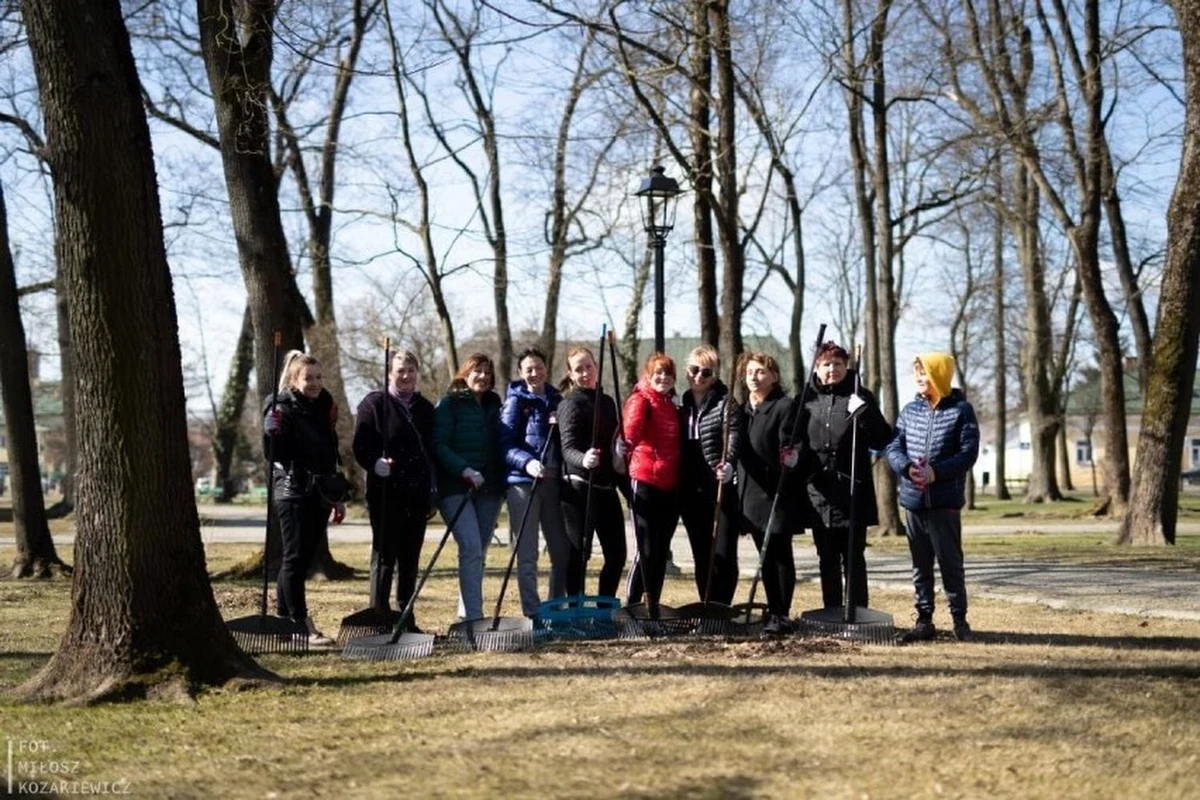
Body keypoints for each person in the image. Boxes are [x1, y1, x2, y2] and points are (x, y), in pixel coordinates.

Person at [886, 352, 980, 643]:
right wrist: (905, 467)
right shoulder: (908, 411)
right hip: (913, 501)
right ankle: (924, 621)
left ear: (940, 375)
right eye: (916, 374)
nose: (919, 379)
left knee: (950, 564)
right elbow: (894, 446)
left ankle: (959, 620)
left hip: (944, 502)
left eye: (925, 373)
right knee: (920, 566)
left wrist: (935, 473)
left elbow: (968, 453)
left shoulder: (961, 410)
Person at [263, 350, 347, 646]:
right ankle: (301, 623)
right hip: (292, 489)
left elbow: (328, 455)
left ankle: (286, 620)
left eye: (318, 377)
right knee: (295, 558)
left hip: (320, 491)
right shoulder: (280, 406)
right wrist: (270, 432)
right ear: (294, 379)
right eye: (308, 378)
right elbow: (274, 452)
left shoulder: (323, 406)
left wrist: (337, 497)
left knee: (303, 558)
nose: (314, 383)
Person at [800, 342, 891, 610]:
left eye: (838, 364)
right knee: (826, 557)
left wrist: (864, 413)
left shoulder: (861, 396)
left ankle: (856, 612)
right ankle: (831, 611)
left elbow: (882, 437)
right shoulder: (806, 400)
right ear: (817, 367)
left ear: (846, 366)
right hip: (820, 493)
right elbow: (795, 440)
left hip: (853, 492)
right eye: (826, 364)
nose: (832, 370)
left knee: (852, 557)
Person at [352, 348, 436, 633]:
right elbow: (360, 445)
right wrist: (375, 463)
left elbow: (432, 452)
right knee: (385, 556)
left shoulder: (425, 409)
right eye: (400, 370)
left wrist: (431, 492)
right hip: (386, 494)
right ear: (390, 373)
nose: (406, 376)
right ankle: (379, 615)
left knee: (410, 558)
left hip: (417, 493)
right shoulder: (374, 404)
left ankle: (405, 617)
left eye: (411, 370)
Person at [736, 350, 805, 635]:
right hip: (750, 493)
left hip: (777, 491)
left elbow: (793, 443)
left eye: (761, 372)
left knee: (778, 554)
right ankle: (774, 609)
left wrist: (791, 456)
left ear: (774, 377)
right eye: (750, 372)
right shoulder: (741, 411)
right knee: (764, 556)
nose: (754, 377)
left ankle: (782, 613)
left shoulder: (783, 406)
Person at [434, 353, 505, 623]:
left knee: (480, 551)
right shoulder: (449, 403)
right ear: (465, 373)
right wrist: (463, 469)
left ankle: (466, 611)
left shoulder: (494, 404)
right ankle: (474, 618)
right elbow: (439, 444)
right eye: (478, 371)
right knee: (471, 546)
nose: (483, 377)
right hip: (455, 487)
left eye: (488, 372)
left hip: (489, 489)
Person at [498, 346, 568, 617]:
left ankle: (555, 608)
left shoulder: (557, 400)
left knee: (560, 552)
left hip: (552, 483)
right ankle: (533, 612)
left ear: (546, 369)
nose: (534, 373)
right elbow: (504, 444)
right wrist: (526, 462)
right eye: (529, 369)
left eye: (539, 367)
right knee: (527, 553)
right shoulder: (515, 401)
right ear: (520, 372)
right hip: (522, 484)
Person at [556, 346, 627, 598]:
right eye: (579, 369)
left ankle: (604, 607)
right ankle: (575, 609)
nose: (585, 373)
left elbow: (614, 444)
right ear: (570, 374)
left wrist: (620, 448)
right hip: (578, 487)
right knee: (579, 552)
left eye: (589, 367)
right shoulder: (569, 404)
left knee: (617, 554)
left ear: (596, 366)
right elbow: (567, 448)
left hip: (606, 486)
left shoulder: (607, 403)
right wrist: (583, 458)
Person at [675, 346, 742, 606]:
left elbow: (733, 434)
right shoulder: (683, 406)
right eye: (694, 370)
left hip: (720, 488)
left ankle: (721, 608)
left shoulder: (726, 403)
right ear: (686, 371)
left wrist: (729, 463)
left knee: (723, 554)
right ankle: (706, 606)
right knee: (702, 555)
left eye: (706, 372)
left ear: (714, 376)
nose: (699, 376)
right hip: (691, 491)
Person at [622, 353, 682, 613]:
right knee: (645, 550)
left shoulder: (670, 404)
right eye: (658, 373)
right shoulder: (640, 400)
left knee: (659, 550)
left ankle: (652, 604)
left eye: (668, 374)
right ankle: (633, 605)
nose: (663, 378)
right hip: (645, 479)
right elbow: (631, 432)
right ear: (648, 374)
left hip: (668, 483)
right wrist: (625, 443)